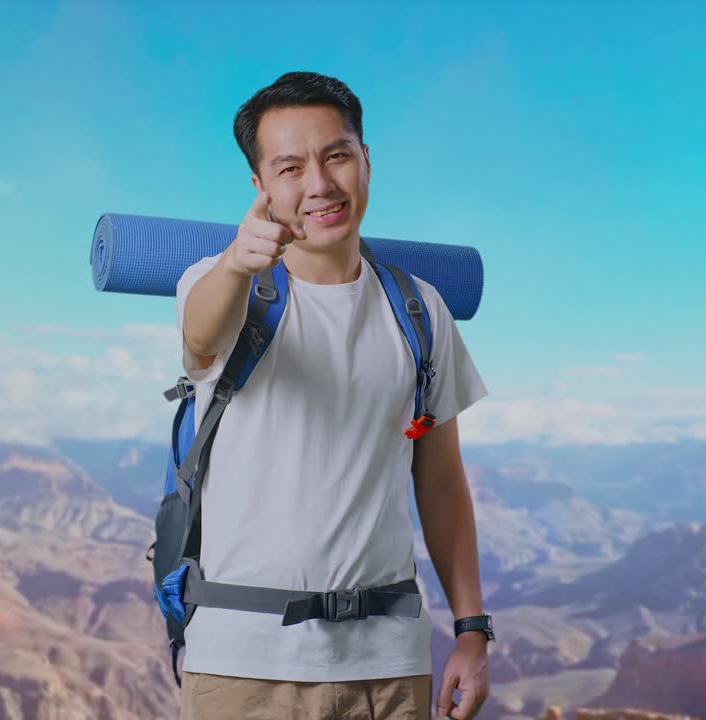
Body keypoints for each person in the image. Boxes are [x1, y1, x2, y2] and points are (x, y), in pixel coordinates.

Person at [175, 71, 491, 720]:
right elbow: (201, 339)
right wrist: (237, 263)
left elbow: (440, 481)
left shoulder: (421, 311)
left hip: (389, 667)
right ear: (260, 187)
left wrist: (471, 629)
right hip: (245, 669)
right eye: (290, 168)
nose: (319, 184)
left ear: (365, 161)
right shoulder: (221, 284)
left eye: (337, 155)